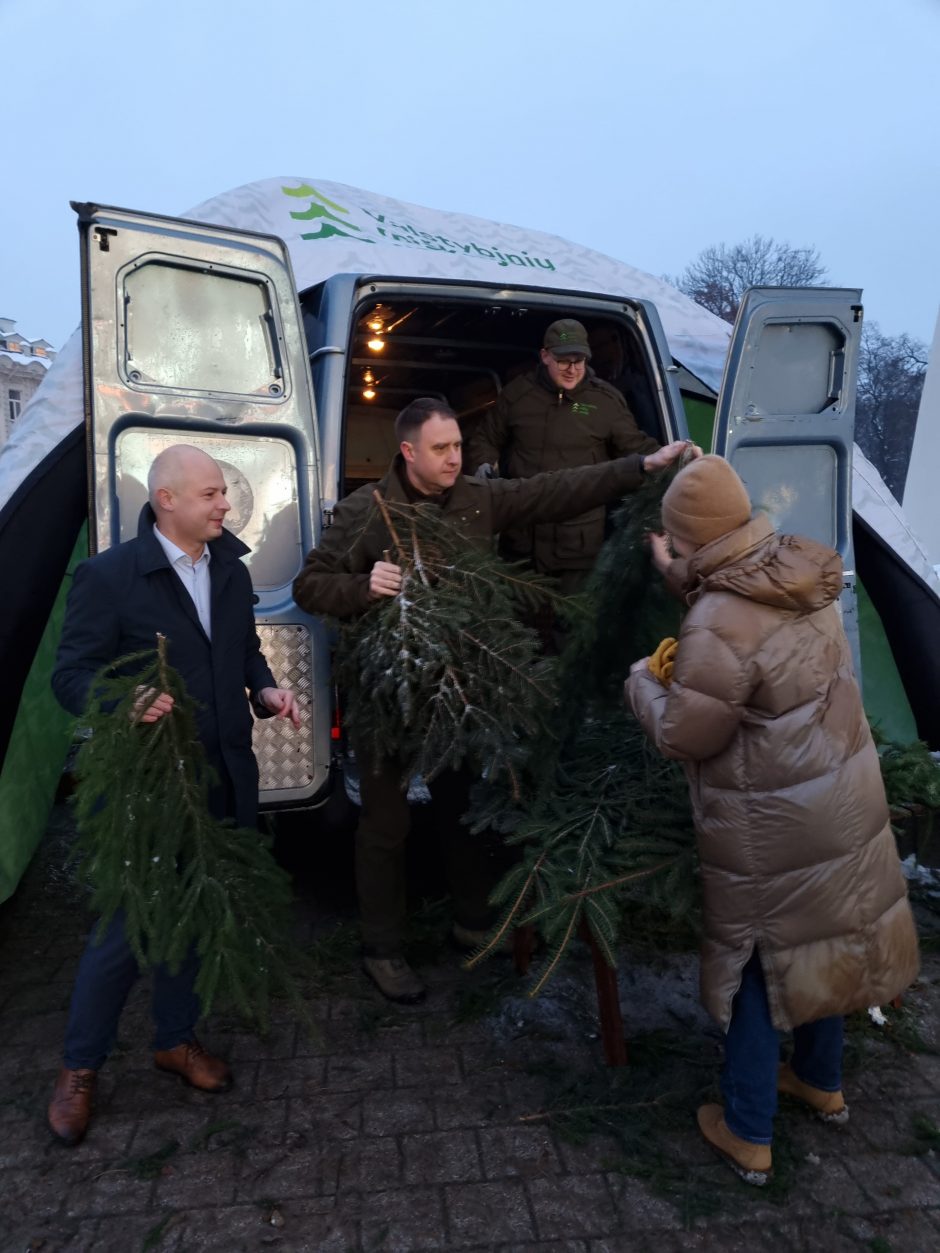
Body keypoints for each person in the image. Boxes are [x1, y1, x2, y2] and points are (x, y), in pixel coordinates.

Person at [294, 397, 693, 1004]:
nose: (455, 458)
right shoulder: (365, 511)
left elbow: (558, 488)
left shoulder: (477, 500)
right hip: (388, 695)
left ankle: (473, 923)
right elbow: (309, 584)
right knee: (386, 824)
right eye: (441, 449)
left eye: (458, 446)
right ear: (408, 452)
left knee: (462, 808)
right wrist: (360, 585)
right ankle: (383, 949)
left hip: (460, 694)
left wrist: (643, 466)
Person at [626, 455, 919, 1185]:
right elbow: (730, 609)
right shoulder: (789, 571)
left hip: (773, 820)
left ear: (691, 535)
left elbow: (685, 734)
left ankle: (747, 1126)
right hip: (835, 799)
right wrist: (679, 576)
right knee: (825, 939)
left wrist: (641, 681)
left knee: (760, 961)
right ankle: (820, 1081)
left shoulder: (719, 619)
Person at [48, 445, 300, 1146]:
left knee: (194, 914)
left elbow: (244, 647)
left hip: (223, 775)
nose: (226, 504)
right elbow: (70, 676)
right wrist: (120, 697)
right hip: (151, 789)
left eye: (224, 492)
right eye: (213, 493)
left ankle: (175, 1038)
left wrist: (265, 687)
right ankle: (79, 1066)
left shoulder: (230, 566)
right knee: (125, 930)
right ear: (167, 500)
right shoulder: (109, 577)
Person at [463, 318, 661, 593]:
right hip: (522, 540)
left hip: (577, 546)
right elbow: (485, 438)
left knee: (570, 626)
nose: (572, 369)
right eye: (563, 361)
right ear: (545, 356)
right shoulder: (518, 395)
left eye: (578, 361)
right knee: (521, 625)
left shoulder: (605, 401)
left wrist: (676, 460)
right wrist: (484, 465)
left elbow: (636, 448)